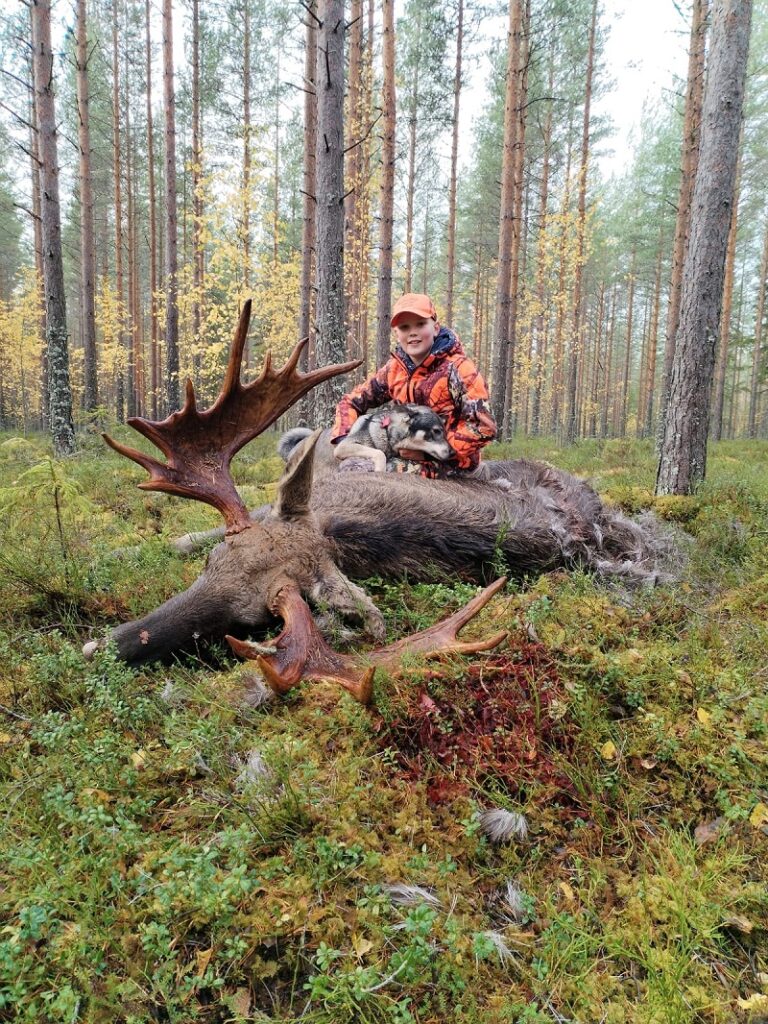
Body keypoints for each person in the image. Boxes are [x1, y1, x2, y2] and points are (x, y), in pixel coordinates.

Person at [331, 293, 497, 477]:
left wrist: (426, 449)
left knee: (376, 473)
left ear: (435, 328)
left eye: (420, 324)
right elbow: (351, 402)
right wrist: (346, 440)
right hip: (401, 454)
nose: (412, 332)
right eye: (404, 327)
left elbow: (484, 426)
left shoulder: (459, 369)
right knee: (354, 466)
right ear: (397, 334)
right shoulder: (393, 370)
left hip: (450, 461)